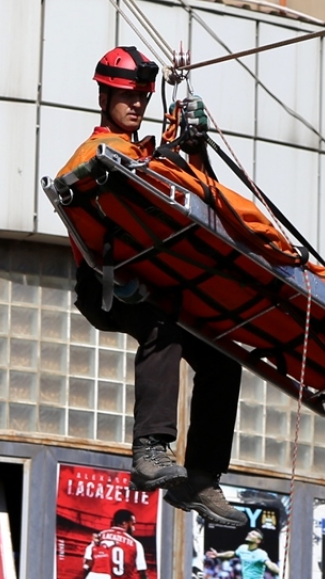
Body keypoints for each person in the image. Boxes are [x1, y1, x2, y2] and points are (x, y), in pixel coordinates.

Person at [60, 46, 248, 528]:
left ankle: (201, 477)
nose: (137, 104)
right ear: (104, 97)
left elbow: (200, 199)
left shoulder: (145, 154)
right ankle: (150, 448)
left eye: (142, 97)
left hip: (153, 277)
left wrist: (193, 149)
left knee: (222, 359)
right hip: (106, 281)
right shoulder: (96, 153)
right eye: (128, 96)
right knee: (163, 325)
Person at [80, 509, 152, 579]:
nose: (134, 529)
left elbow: (88, 565)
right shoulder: (136, 544)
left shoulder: (99, 537)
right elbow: (143, 576)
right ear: (124, 524)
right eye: (133, 524)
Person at [207, 529, 280, 579]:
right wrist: (218, 555)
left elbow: (270, 564)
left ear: (258, 541)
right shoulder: (242, 548)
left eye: (253, 534)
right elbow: (233, 554)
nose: (249, 533)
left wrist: (280, 572)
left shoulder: (261, 554)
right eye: (250, 532)